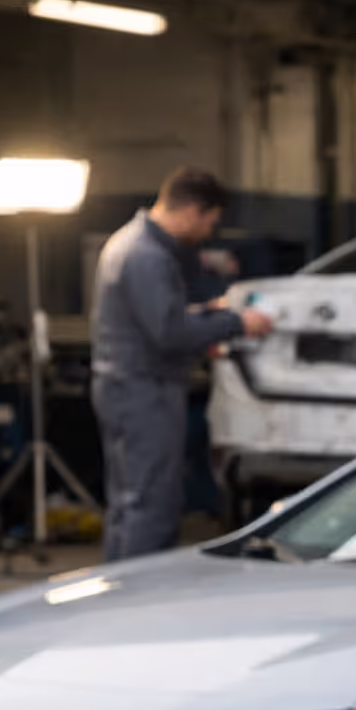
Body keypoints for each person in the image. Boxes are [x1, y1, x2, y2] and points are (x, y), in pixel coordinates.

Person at [90, 166, 272, 561]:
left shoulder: (128, 242)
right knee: (152, 507)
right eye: (209, 221)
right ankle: (138, 603)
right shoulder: (148, 256)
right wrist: (236, 322)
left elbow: (160, 318)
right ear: (192, 211)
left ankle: (116, 598)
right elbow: (171, 334)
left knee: (129, 503)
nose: (208, 232)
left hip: (124, 387)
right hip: (145, 392)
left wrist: (204, 312)